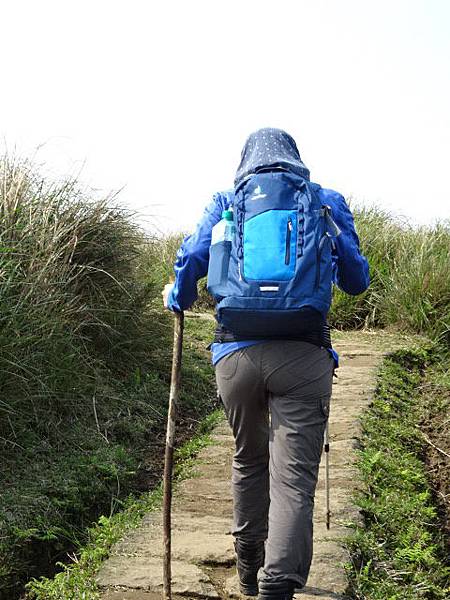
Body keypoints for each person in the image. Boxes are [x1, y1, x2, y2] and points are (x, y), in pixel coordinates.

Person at [163, 128, 369, 600]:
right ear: (295, 159)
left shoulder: (225, 201)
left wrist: (178, 294)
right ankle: (278, 585)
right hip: (304, 355)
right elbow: (357, 281)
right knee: (293, 476)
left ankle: (249, 570)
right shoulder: (323, 199)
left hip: (235, 355)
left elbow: (193, 258)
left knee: (247, 460)